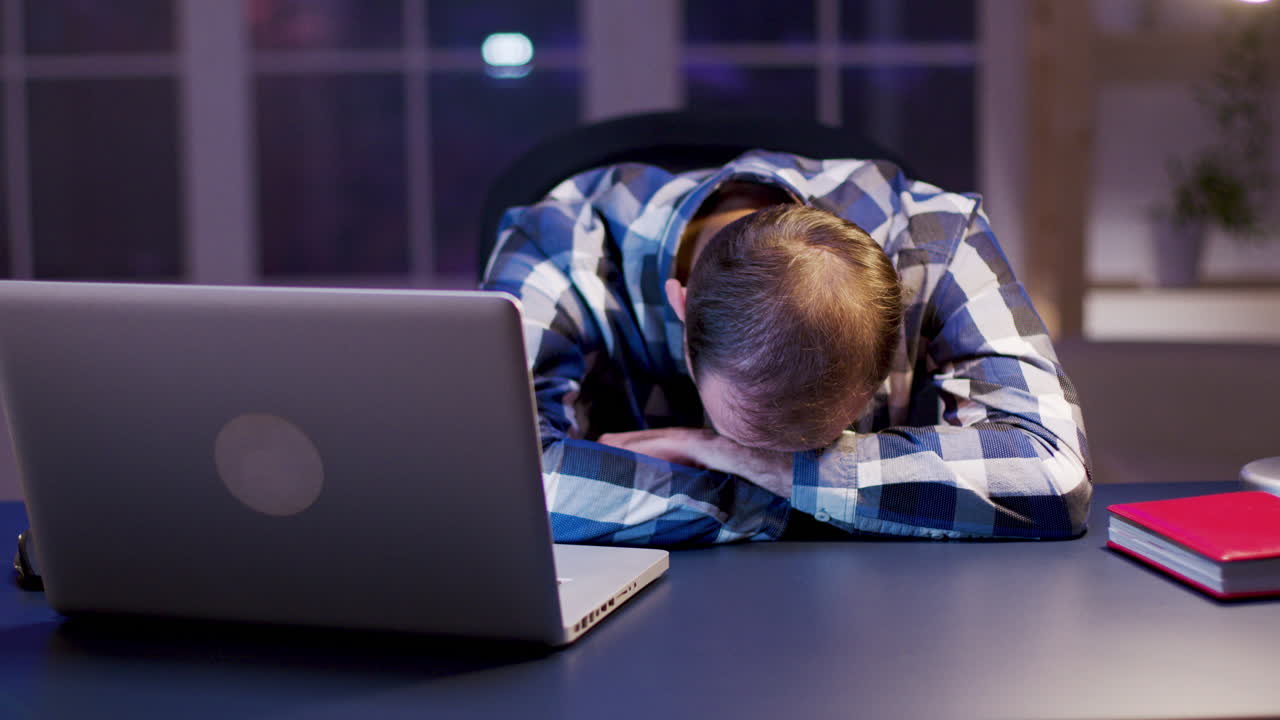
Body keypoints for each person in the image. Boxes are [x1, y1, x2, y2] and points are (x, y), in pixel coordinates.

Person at [481, 150, 1092, 545]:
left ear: (894, 325)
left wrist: (755, 466)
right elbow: (497, 484)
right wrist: (785, 499)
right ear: (682, 304)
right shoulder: (561, 246)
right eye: (745, 437)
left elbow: (1053, 473)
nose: (764, 457)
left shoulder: (935, 240)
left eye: (817, 448)